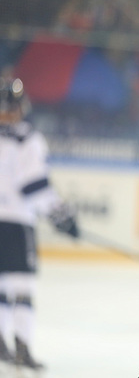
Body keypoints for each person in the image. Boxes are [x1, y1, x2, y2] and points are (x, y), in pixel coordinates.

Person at [0, 77, 79, 371]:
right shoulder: (27, 138)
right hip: (17, 225)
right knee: (22, 288)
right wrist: (63, 217)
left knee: (2, 288)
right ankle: (21, 348)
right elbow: (34, 187)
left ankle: (3, 346)